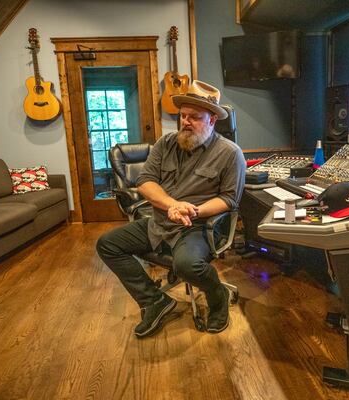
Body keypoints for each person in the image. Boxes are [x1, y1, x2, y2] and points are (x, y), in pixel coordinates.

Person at [96, 80, 246, 338]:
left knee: (187, 265)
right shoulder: (166, 143)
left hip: (197, 227)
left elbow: (229, 200)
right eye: (183, 116)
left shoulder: (230, 153)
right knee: (107, 244)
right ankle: (154, 301)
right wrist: (172, 205)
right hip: (159, 222)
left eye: (195, 117)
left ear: (212, 120)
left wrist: (194, 211)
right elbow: (145, 182)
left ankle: (217, 295)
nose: (186, 122)